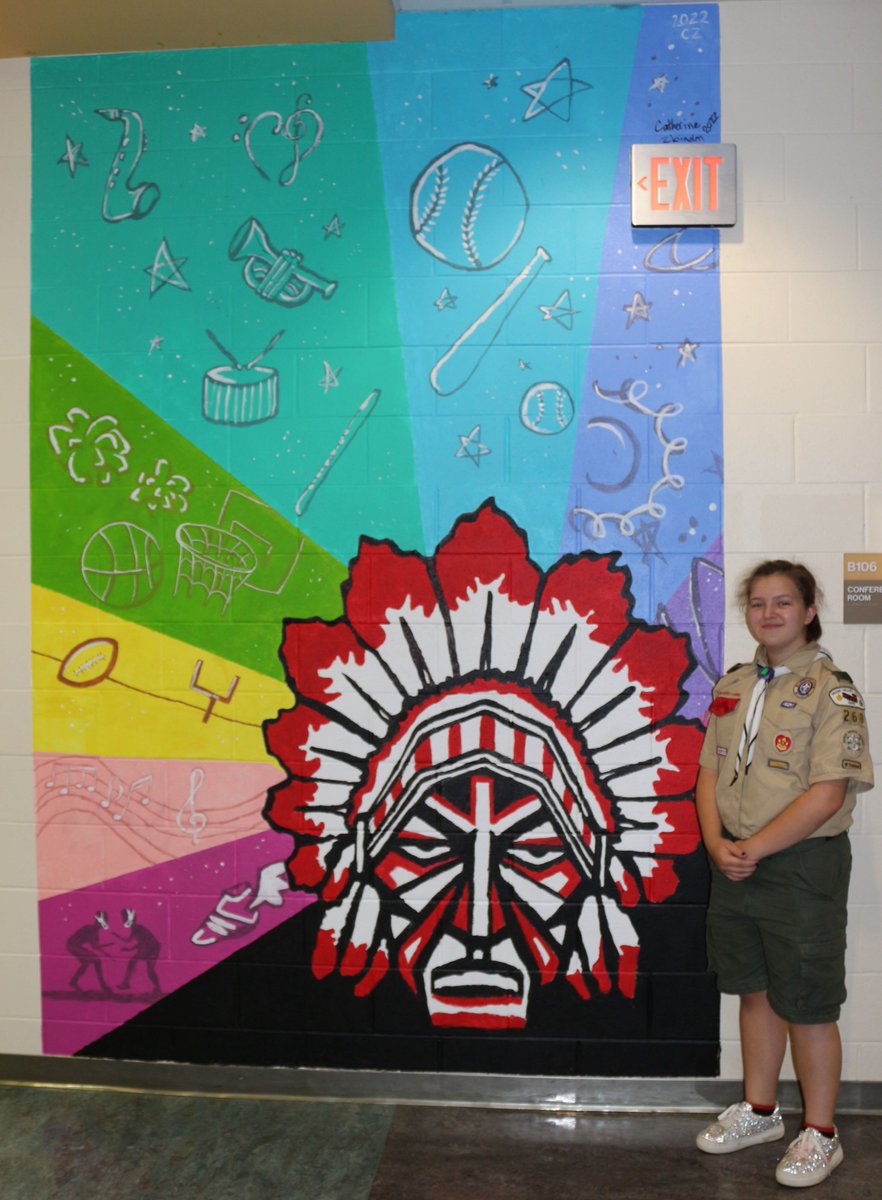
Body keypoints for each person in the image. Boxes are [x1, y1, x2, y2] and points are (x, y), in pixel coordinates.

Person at [694, 560, 873, 1188]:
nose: (770, 614)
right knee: (754, 990)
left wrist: (755, 848)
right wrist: (718, 843)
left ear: (808, 609)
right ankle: (761, 1110)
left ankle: (821, 1134)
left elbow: (828, 793)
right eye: (759, 603)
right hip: (736, 861)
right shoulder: (735, 684)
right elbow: (710, 773)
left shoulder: (833, 690)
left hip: (800, 866)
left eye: (784, 603)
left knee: (809, 1003)